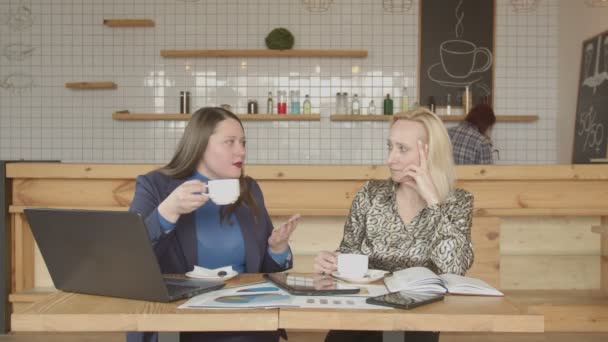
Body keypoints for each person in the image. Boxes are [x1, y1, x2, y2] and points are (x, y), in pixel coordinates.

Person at [127, 107, 300, 342]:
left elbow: (262, 271)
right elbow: (132, 259)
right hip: (177, 323)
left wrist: (277, 249)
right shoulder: (155, 186)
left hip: (246, 318)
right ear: (199, 146)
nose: (241, 151)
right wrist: (168, 211)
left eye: (243, 142)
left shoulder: (249, 190)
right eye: (230, 142)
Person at [314, 107, 474, 342]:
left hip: (418, 322)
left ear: (430, 153)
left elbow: (454, 268)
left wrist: (432, 200)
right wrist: (332, 262)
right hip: (361, 319)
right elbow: (349, 254)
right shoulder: (370, 194)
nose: (390, 159)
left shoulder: (457, 202)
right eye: (390, 146)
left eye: (402, 149)